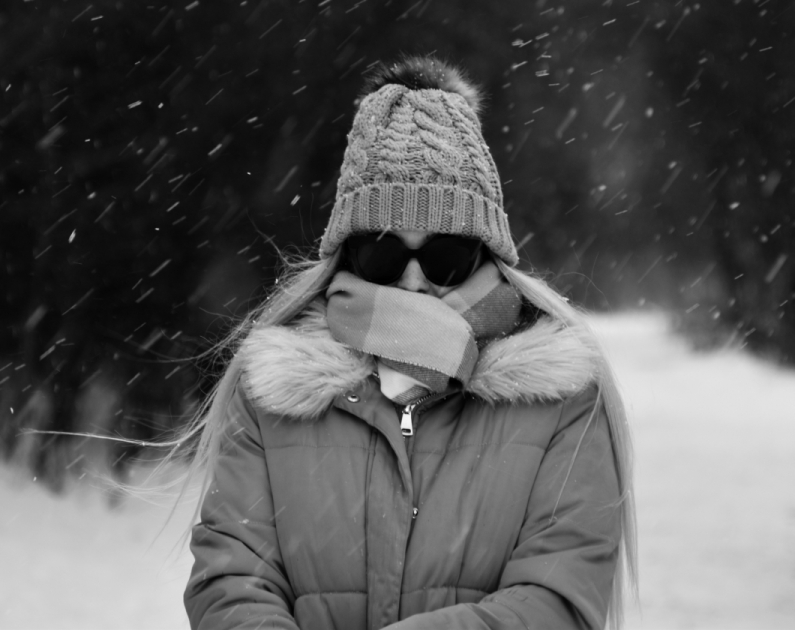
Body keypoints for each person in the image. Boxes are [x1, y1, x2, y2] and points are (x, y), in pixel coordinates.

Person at [178, 56, 637, 630]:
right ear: (347, 254)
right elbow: (232, 581)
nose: (414, 280)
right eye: (384, 252)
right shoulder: (273, 388)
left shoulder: (562, 394)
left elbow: (559, 600)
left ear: (486, 253)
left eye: (445, 255)